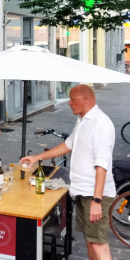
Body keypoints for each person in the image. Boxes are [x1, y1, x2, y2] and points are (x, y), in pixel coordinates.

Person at [20, 84, 115, 260]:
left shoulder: (101, 124)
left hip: (93, 194)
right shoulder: (82, 120)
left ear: (86, 99)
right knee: (90, 241)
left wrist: (97, 200)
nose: (69, 103)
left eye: (73, 99)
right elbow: (68, 145)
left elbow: (102, 165)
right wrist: (37, 157)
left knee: (98, 245)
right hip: (82, 191)